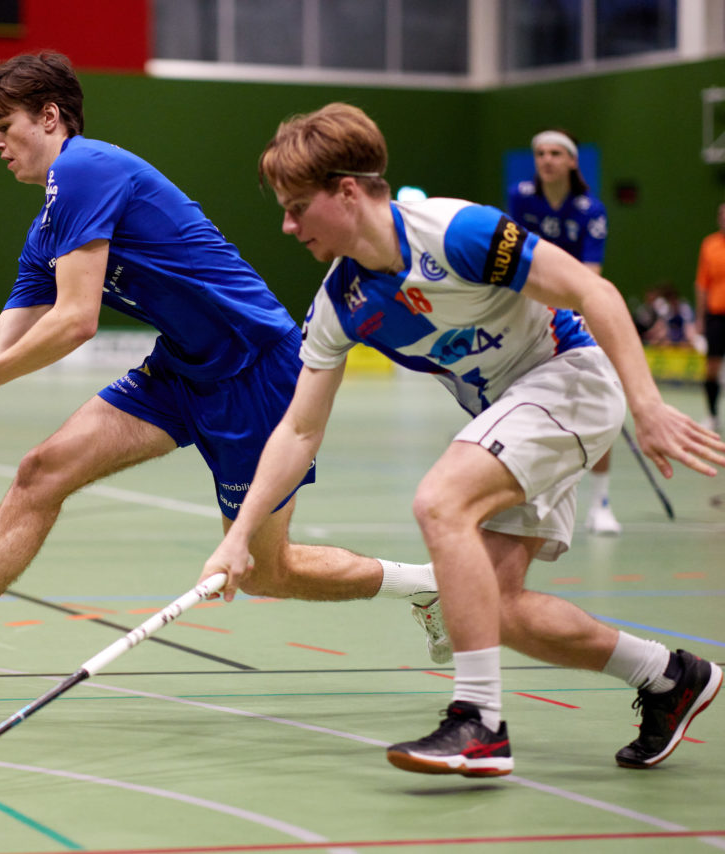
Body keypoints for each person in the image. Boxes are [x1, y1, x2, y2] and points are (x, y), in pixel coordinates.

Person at [0, 53, 445, 709]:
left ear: (50, 117)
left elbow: (75, 321)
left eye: (5, 126)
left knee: (268, 571)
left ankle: (427, 585)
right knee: (42, 471)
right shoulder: (47, 231)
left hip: (255, 370)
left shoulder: (84, 169)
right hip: (180, 370)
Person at [201, 103, 725, 777]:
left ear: (348, 192)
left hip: (566, 375)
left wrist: (646, 405)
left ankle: (479, 723)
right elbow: (300, 429)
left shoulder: (457, 232)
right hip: (510, 412)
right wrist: (241, 535)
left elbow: (592, 292)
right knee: (491, 608)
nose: (288, 225)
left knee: (441, 500)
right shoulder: (340, 303)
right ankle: (669, 677)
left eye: (298, 207)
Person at [507, 129, 620, 535]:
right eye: (540, 153)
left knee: (597, 401)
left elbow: (591, 273)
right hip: (530, 309)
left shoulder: (591, 209)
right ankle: (525, 495)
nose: (546, 160)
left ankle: (601, 503)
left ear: (572, 161)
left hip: (574, 310)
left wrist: (576, 310)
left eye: (556, 153)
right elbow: (515, 255)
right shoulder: (521, 197)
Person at [695, 202, 725, 433]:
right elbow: (702, 285)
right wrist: (700, 319)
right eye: (721, 215)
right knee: (712, 367)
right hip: (716, 315)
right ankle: (712, 415)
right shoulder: (709, 244)